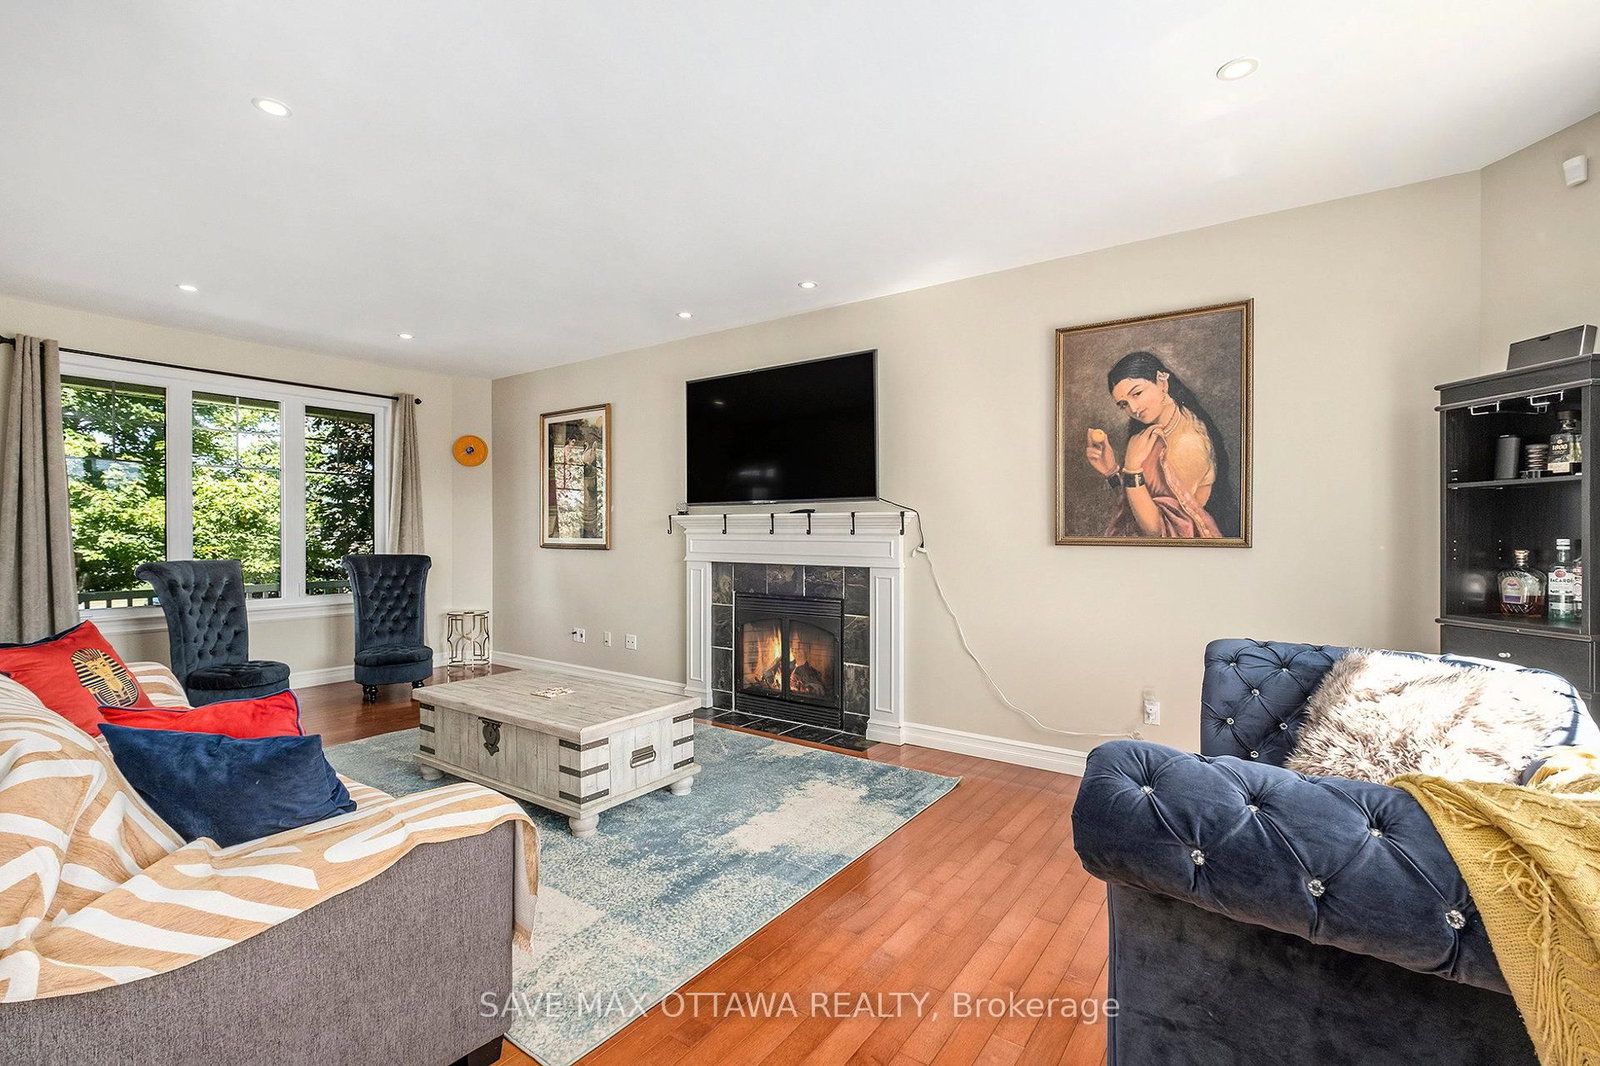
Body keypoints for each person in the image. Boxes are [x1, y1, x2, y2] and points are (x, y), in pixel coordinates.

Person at [1084, 351, 1238, 539]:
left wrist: (1132, 468)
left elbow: (1158, 532)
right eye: (1123, 404)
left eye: (1137, 393)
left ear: (1162, 383)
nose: (1133, 409)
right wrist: (1111, 472)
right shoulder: (1153, 430)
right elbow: (1136, 508)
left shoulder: (1187, 442)